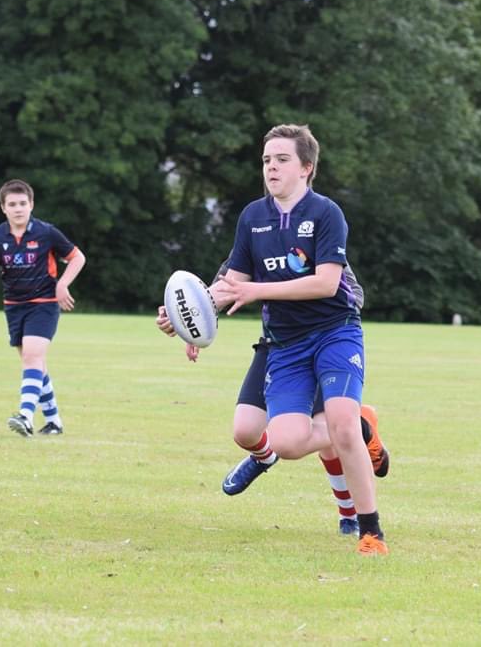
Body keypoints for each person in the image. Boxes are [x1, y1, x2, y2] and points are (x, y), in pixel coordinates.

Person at [214, 124, 388, 555]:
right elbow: (232, 281)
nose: (271, 167)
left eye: (282, 159)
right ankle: (361, 424)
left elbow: (326, 284)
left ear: (306, 168)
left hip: (335, 333)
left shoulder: (326, 213)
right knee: (288, 441)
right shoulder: (253, 217)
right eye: (266, 160)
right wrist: (191, 314)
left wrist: (257, 291)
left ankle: (370, 533)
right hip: (285, 344)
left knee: (341, 426)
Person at [156, 259, 388, 536]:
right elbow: (220, 290)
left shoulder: (317, 226)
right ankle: (270, 455)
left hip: (322, 341)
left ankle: (348, 513)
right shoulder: (256, 228)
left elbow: (351, 295)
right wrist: (185, 319)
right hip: (277, 345)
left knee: (327, 428)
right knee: (245, 431)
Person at [0, 179, 85, 437]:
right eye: (12, 204)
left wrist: (62, 284)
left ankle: (26, 416)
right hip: (13, 306)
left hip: (43, 304)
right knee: (35, 364)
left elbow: (77, 257)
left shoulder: (46, 232)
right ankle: (54, 422)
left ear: (31, 205)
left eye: (23, 203)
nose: (18, 208)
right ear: (3, 208)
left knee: (32, 357)